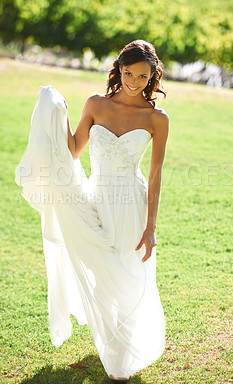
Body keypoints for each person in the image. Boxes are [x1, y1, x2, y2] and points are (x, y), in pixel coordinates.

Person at [15, 39, 169, 383]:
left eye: (141, 76)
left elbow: (156, 175)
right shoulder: (96, 104)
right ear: (119, 69)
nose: (132, 81)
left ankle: (122, 351)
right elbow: (72, 150)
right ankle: (113, 342)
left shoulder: (157, 118)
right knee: (101, 272)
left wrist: (151, 227)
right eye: (127, 73)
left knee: (126, 272)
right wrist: (59, 111)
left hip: (131, 202)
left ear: (152, 76)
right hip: (95, 196)